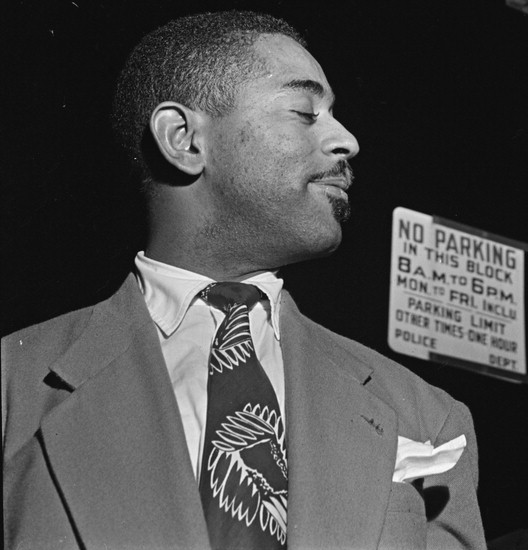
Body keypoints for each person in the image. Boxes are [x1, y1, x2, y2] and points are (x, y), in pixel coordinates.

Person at [2, 10, 486, 550]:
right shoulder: (13, 385)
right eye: (304, 112)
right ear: (184, 139)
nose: (347, 140)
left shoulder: (427, 415)